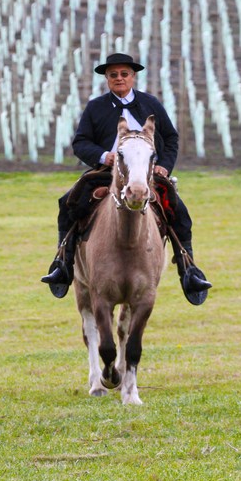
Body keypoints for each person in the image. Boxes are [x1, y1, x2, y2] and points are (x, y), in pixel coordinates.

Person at [40, 53, 212, 305]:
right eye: (113, 75)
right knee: (68, 202)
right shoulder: (95, 107)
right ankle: (62, 264)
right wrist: (103, 156)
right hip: (107, 173)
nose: (119, 79)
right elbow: (80, 142)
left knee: (179, 210)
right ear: (107, 79)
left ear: (132, 76)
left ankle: (188, 269)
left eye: (124, 74)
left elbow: (171, 138)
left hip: (147, 174)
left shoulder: (150, 104)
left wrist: (163, 166)